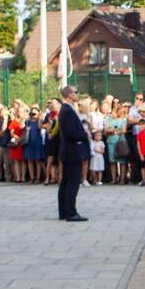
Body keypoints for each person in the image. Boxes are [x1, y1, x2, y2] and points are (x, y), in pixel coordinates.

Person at [57, 85, 89, 222]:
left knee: (65, 182)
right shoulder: (67, 110)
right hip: (72, 151)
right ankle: (70, 212)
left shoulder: (67, 109)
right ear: (69, 94)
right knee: (72, 182)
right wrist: (84, 134)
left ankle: (64, 211)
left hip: (68, 151)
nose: (78, 94)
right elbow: (71, 133)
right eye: (76, 92)